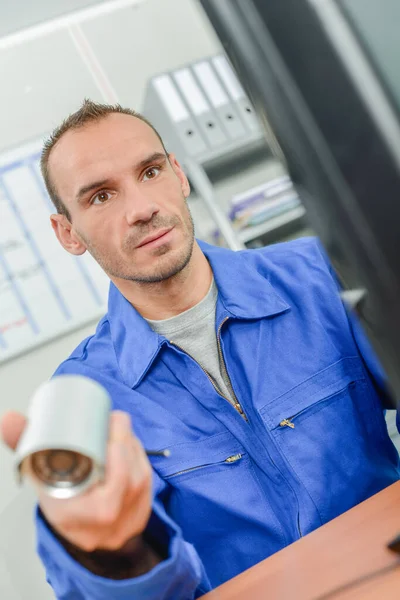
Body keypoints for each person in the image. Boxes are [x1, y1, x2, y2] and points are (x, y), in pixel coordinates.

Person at [1, 99, 400, 600]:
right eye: (101, 197)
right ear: (67, 234)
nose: (141, 208)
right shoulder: (84, 396)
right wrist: (115, 557)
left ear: (180, 175)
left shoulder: (317, 276)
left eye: (150, 171)